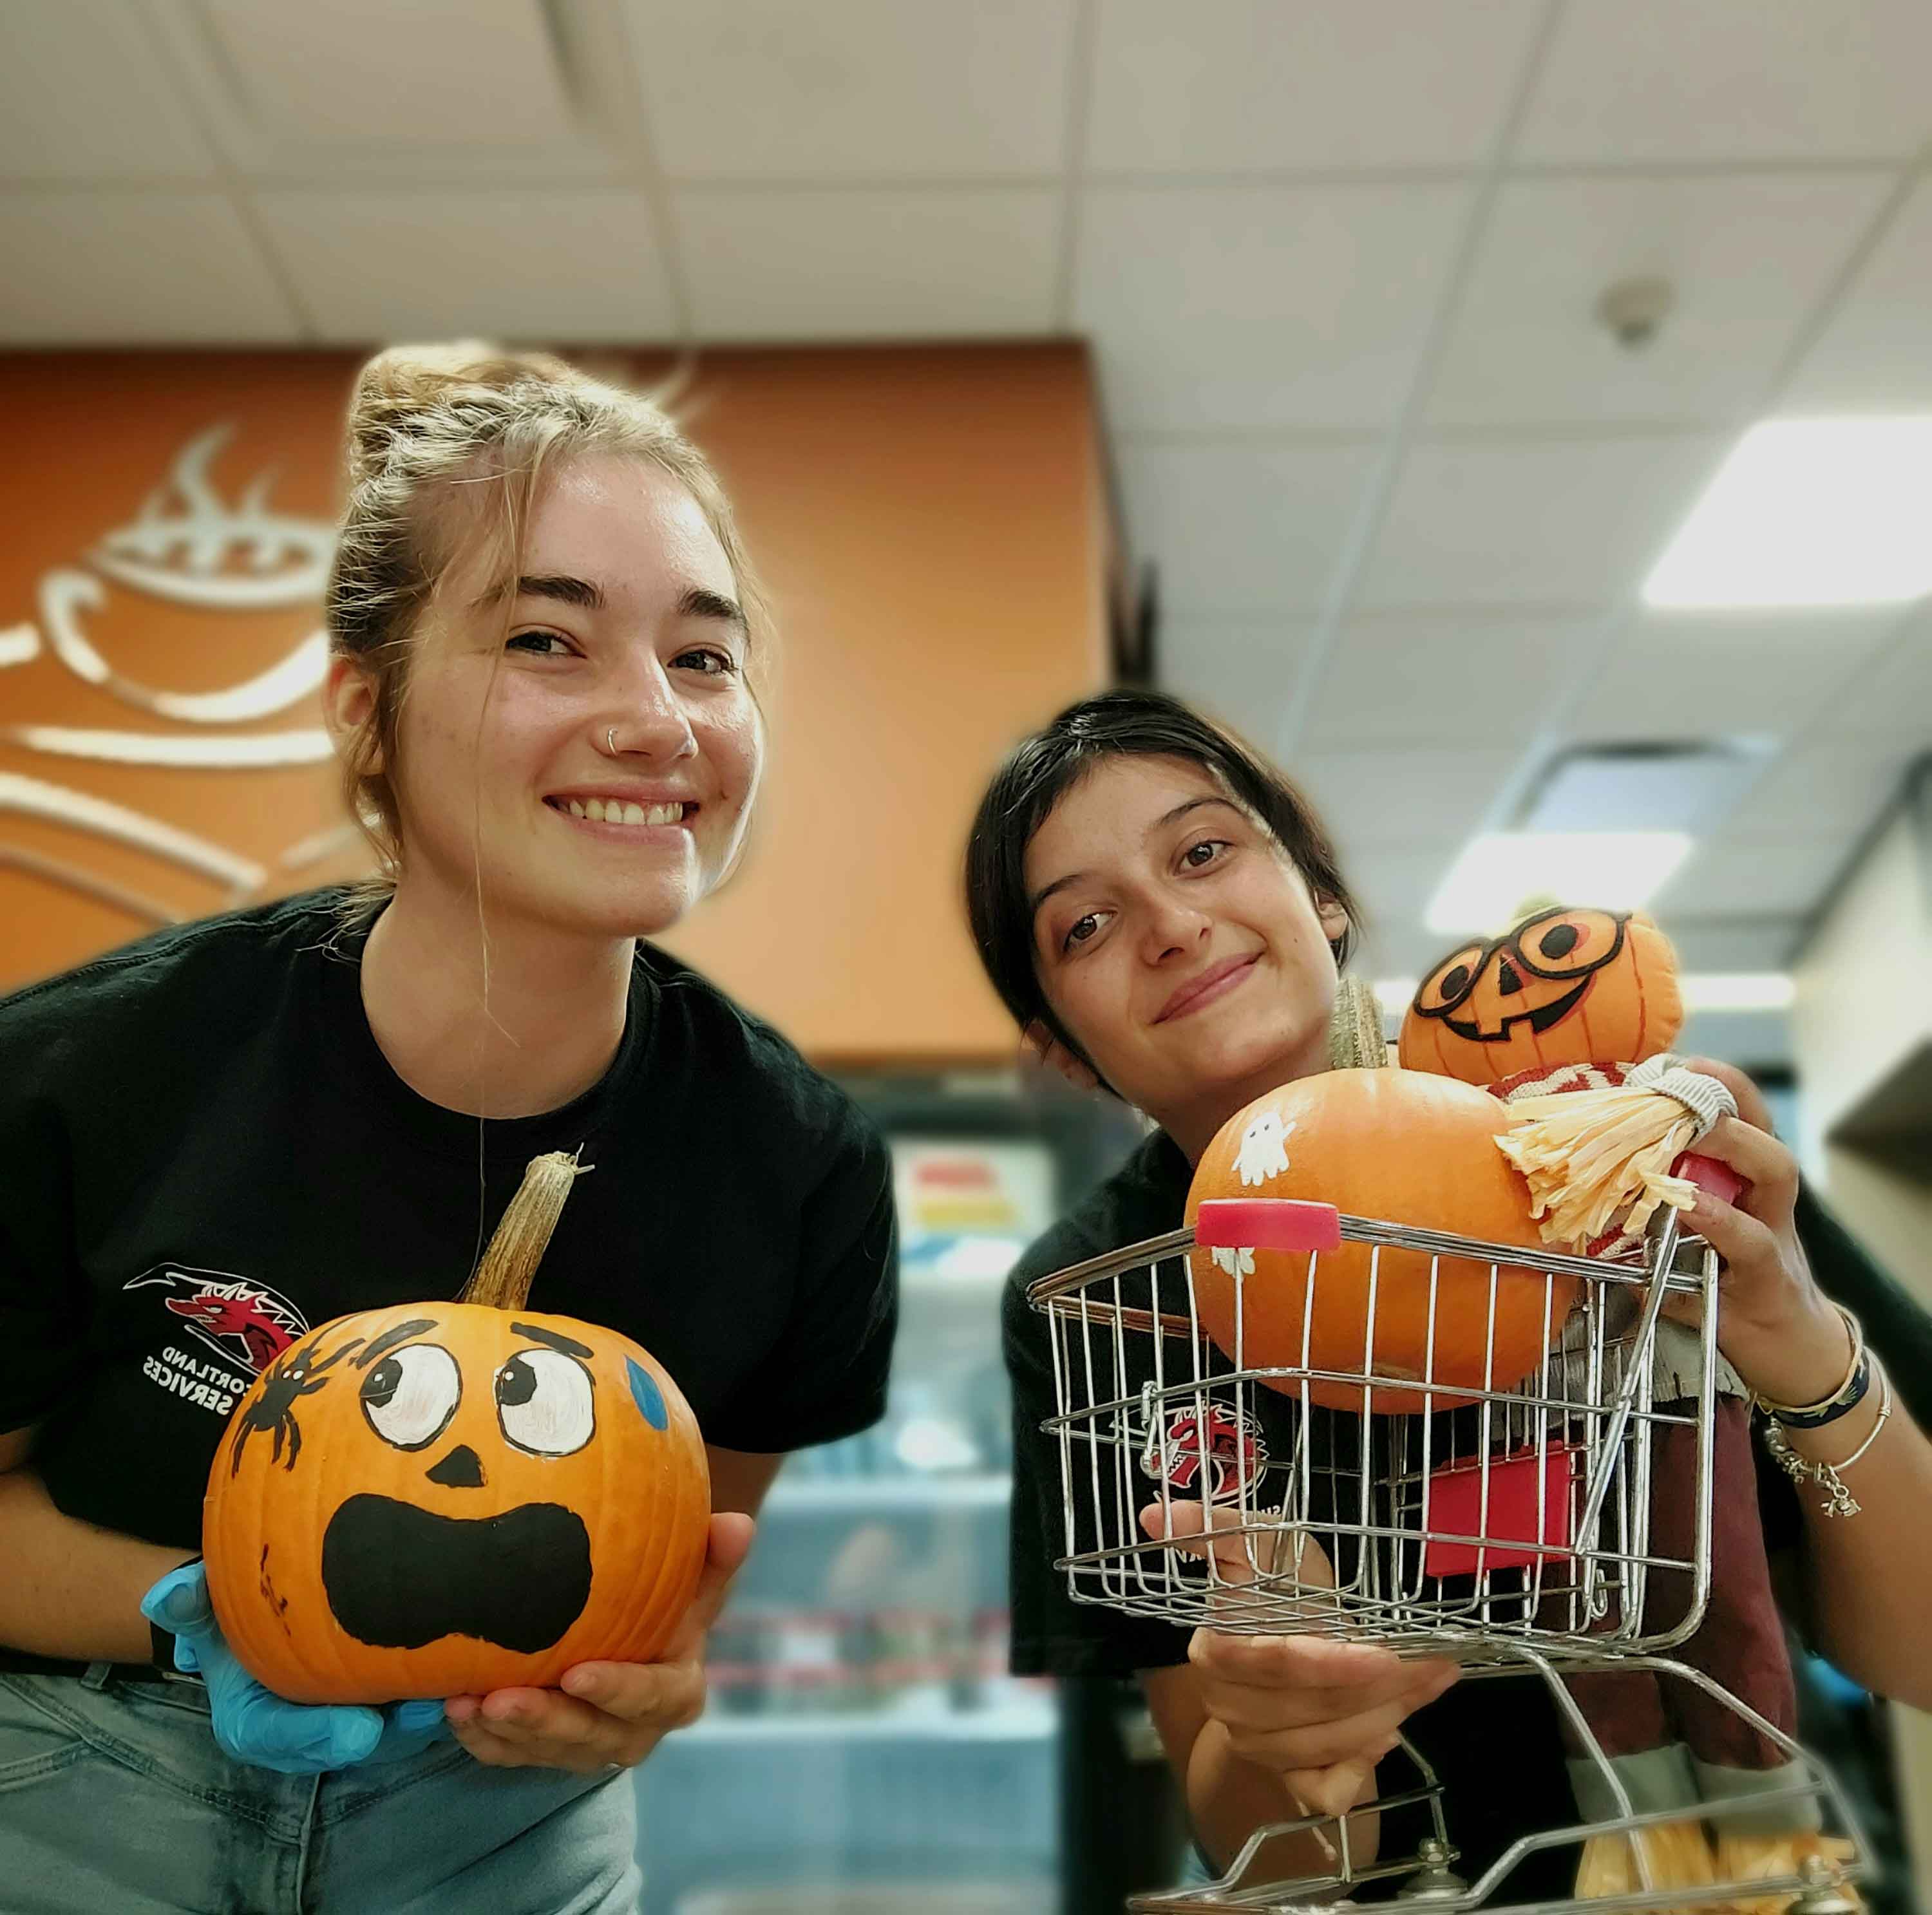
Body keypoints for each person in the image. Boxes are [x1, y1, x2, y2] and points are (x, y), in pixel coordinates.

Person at [0, 345, 898, 1914]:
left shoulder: (797, 1165)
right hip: (75, 1786)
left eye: (704, 658)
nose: (654, 720)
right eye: (549, 638)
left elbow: (662, 1575)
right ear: (371, 704)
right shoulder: (84, 1073)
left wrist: (647, 1685)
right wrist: (214, 1608)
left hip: (497, 1831)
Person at [963, 688, 1932, 1898]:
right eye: (1086, 926)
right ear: (1063, 1046)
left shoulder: (1603, 1125)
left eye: (1204, 850)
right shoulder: (1095, 1298)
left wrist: (1800, 1345)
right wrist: (1292, 1721)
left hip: (1752, 1873)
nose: (1170, 923)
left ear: (1322, 894)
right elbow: (1262, 1848)